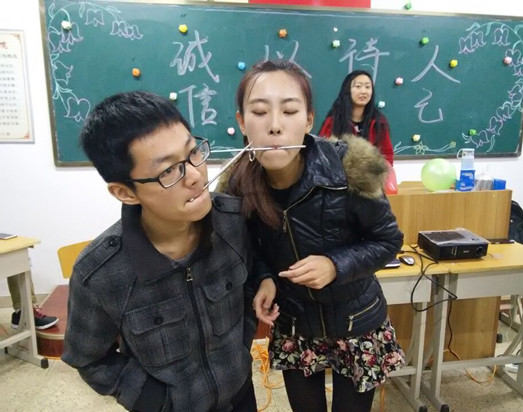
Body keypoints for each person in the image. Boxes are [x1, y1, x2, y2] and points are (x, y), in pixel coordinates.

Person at [218, 60, 405, 412]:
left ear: (308, 120)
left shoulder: (349, 169)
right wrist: (265, 279)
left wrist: (335, 264)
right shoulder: (239, 185)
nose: (275, 126)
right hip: (295, 323)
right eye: (259, 112)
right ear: (242, 122)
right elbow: (251, 248)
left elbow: (388, 241)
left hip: (356, 319)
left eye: (289, 111)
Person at [62, 91, 261, 412]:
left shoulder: (233, 222)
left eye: (193, 152)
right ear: (125, 192)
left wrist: (239, 350)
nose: (195, 176)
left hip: (240, 395)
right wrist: (154, 400)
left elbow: (249, 289)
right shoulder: (99, 274)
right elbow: (87, 358)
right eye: (168, 171)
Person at [318, 70, 394, 165]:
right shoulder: (334, 121)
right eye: (358, 86)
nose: (363, 91)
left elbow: (387, 156)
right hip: (339, 172)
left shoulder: (378, 122)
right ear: (347, 90)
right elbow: (321, 153)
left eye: (367, 87)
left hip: (370, 173)